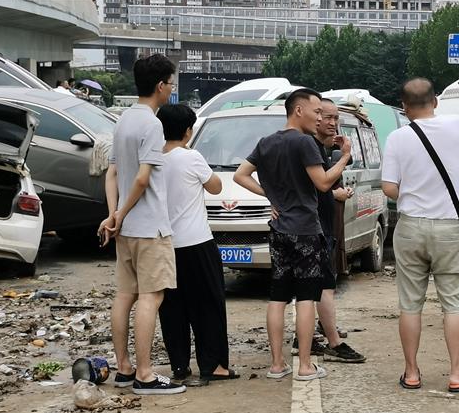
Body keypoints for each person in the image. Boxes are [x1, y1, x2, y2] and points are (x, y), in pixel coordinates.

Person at [233, 88, 350, 381]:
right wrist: (344, 157)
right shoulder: (304, 143)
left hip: (279, 230)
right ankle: (306, 366)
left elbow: (240, 175)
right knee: (307, 297)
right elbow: (323, 183)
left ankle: (276, 365)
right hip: (306, 230)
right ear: (298, 111)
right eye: (317, 112)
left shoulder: (267, 142)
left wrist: (271, 196)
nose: (320, 117)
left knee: (278, 296)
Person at [381, 78, 459, 393]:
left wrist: (412, 188)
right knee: (453, 303)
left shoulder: (397, 138)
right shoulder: (458, 125)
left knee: (410, 303)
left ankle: (411, 373)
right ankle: (455, 374)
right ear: (435, 101)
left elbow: (389, 188)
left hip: (410, 226)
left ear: (404, 107)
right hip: (449, 226)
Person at [97, 53, 183, 395]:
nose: (171, 90)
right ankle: (145, 374)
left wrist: (114, 213)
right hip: (148, 226)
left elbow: (113, 172)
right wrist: (121, 213)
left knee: (124, 296)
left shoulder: (122, 121)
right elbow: (144, 179)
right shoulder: (152, 124)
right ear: (161, 86)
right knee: (151, 297)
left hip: (127, 229)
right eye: (171, 85)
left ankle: (123, 368)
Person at [155, 103, 237, 385]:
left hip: (164, 244)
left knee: (171, 307)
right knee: (208, 305)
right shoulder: (192, 157)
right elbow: (216, 187)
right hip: (197, 242)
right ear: (188, 131)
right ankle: (213, 365)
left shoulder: (153, 159)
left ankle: (179, 365)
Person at [299, 97, 366, 363]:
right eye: (326, 116)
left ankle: (309, 336)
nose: (331, 122)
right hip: (314, 228)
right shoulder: (309, 148)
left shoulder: (321, 148)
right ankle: (333, 343)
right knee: (323, 285)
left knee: (313, 286)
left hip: (320, 225)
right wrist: (346, 156)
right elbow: (322, 184)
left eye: (335, 118)